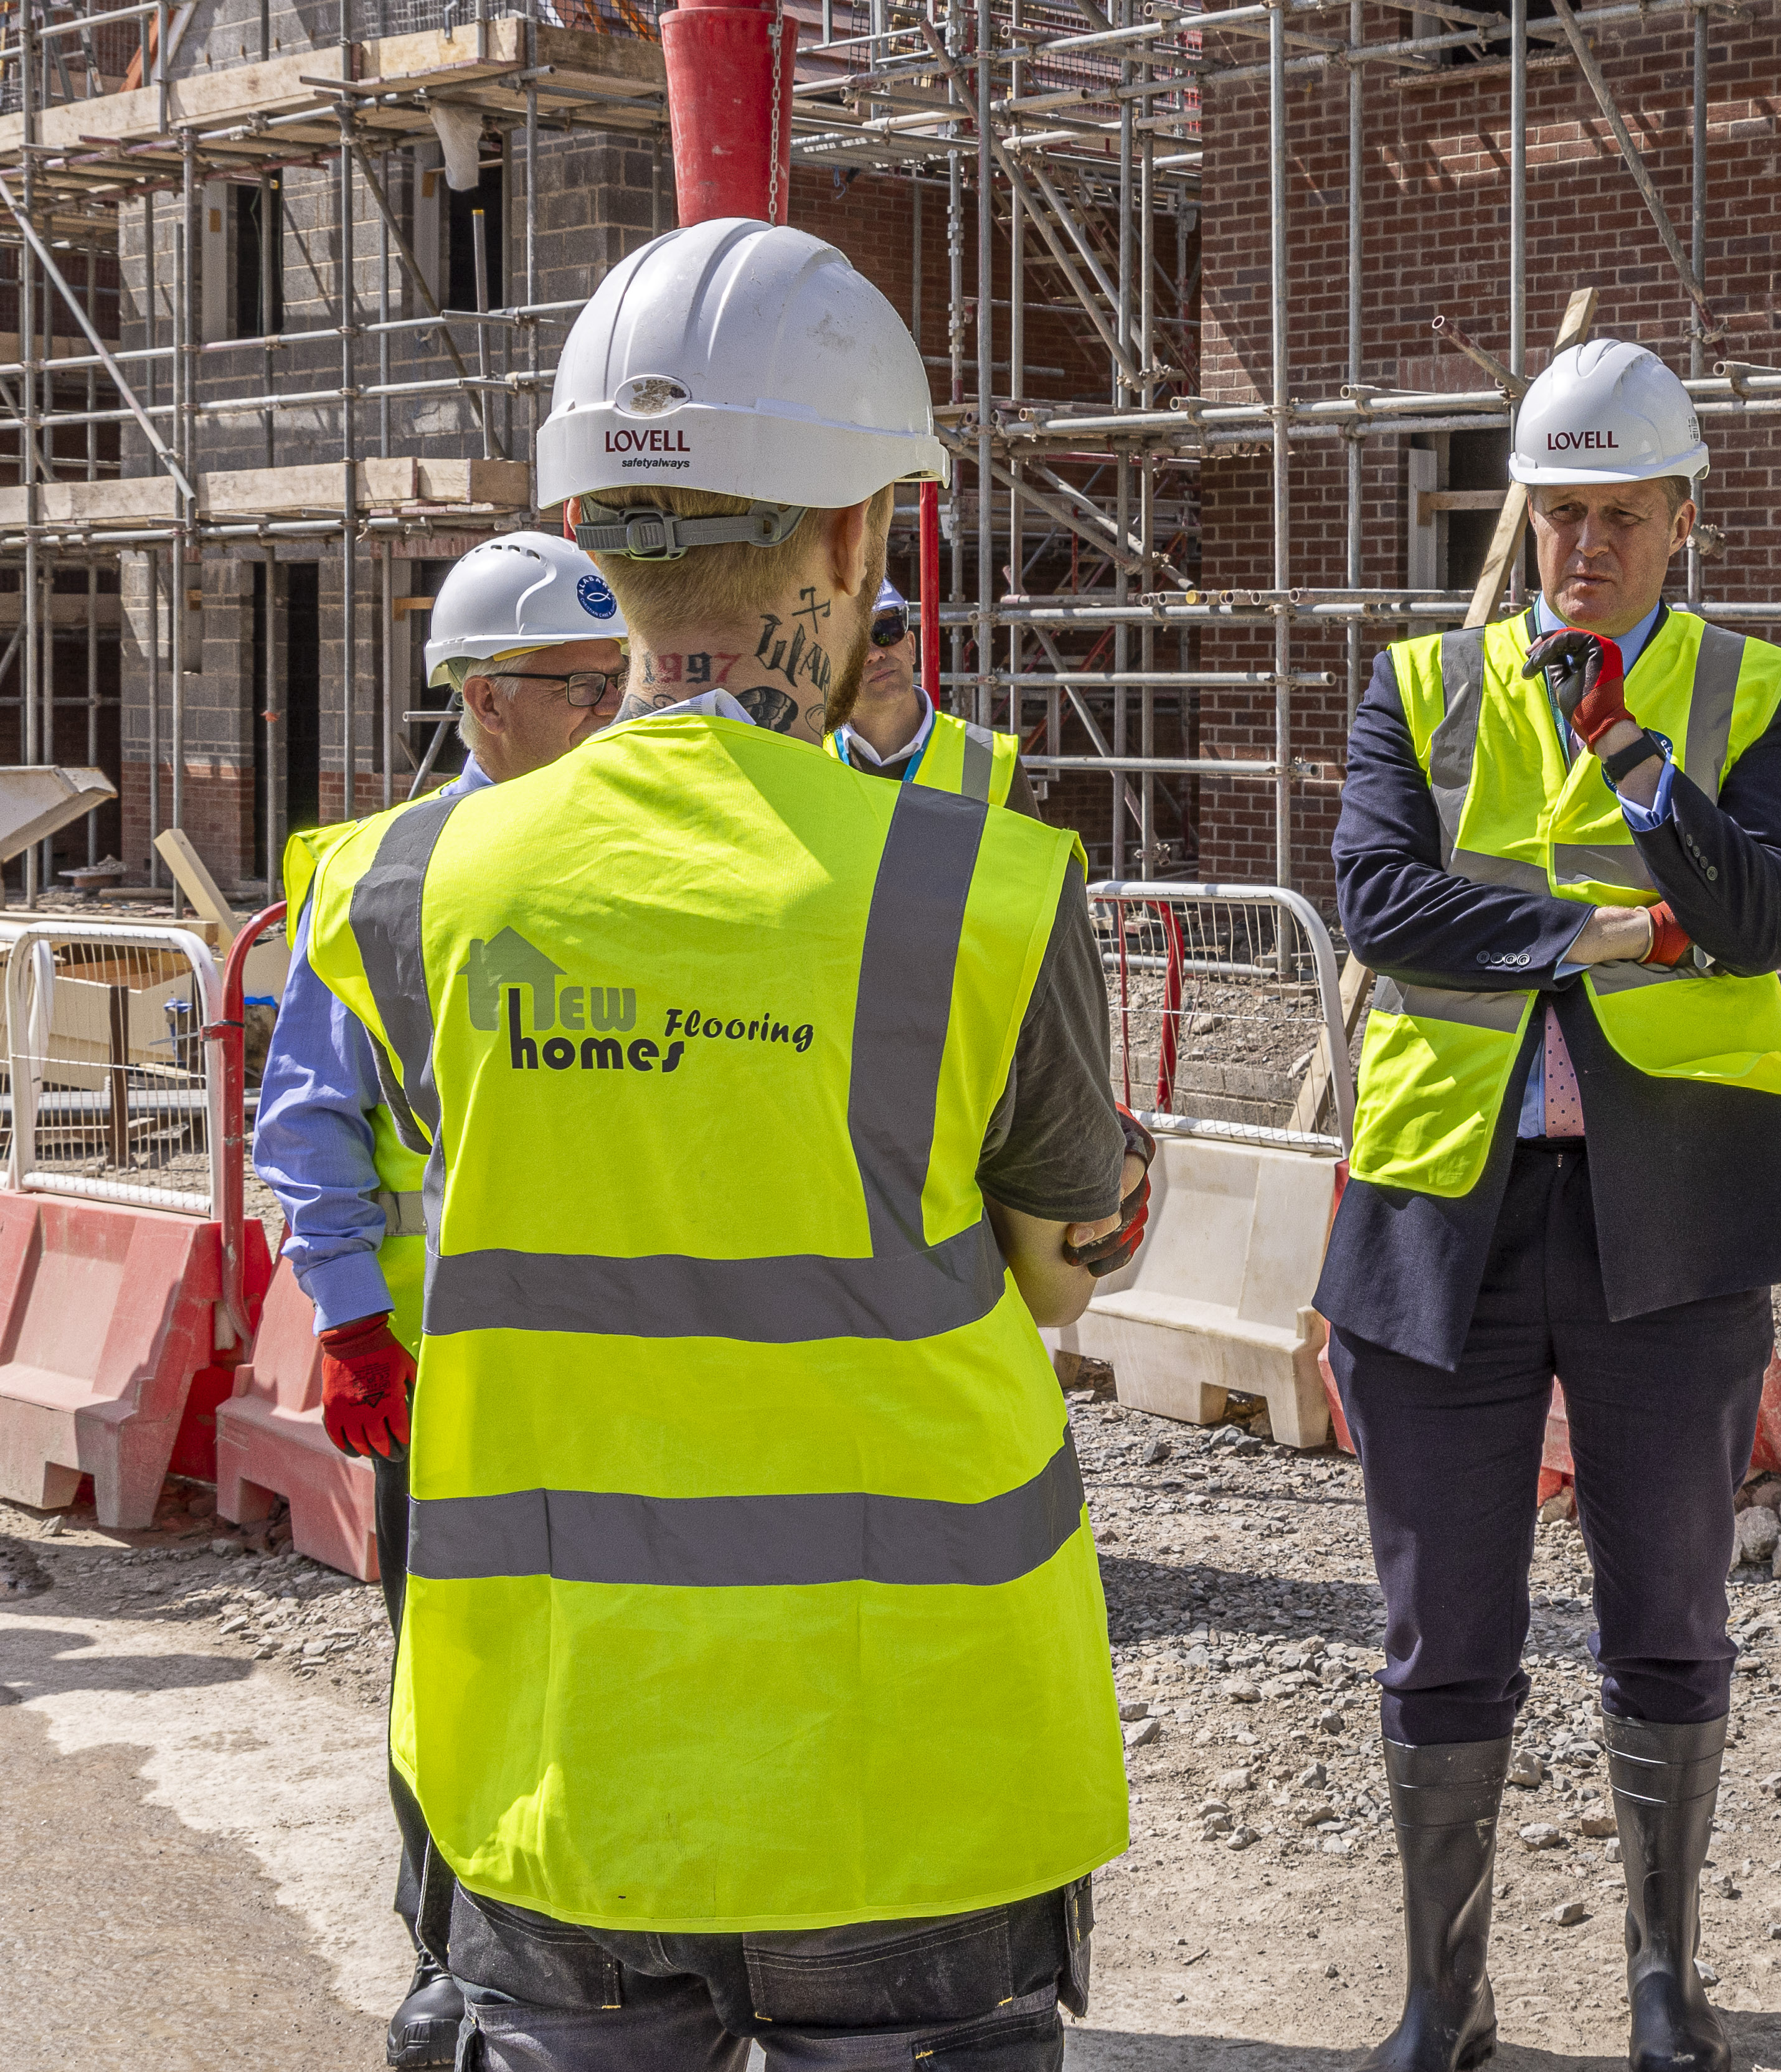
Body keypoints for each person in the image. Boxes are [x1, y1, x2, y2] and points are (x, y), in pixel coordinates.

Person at [301, 215, 1148, 2070]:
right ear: (856, 536)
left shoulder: (411, 886)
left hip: (564, 1764)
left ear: (588, 537)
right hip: (914, 1768)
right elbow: (1058, 1269)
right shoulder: (979, 891)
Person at [1321, 336, 1781, 2072]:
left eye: (1618, 515)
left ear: (1682, 518)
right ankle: (1437, 2001)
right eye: (1556, 515)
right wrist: (1608, 929)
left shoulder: (1747, 692)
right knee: (1437, 1627)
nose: (1582, 550)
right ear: (1522, 517)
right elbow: (1383, 905)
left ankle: (1662, 1987)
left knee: (1667, 1614)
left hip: (1672, 1215)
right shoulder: (1414, 685)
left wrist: (1628, 760)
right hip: (1437, 1211)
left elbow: (1764, 918)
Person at [252, 527, 629, 2071]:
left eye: (627, 681)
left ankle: (609, 1939)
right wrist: (350, 1318)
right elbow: (308, 1122)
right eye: (580, 686)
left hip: (620, 1356)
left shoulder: (634, 856)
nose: (616, 711)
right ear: (483, 699)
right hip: (444, 1366)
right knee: (457, 1678)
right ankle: (449, 1951)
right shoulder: (396, 879)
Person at [830, 577, 1032, 807]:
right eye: (853, 644)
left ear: (911, 647)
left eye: (885, 630)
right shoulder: (809, 755)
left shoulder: (992, 762)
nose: (874, 654)